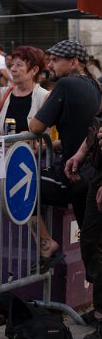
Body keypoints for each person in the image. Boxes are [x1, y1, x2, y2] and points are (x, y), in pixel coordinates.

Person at [0, 47, 58, 270]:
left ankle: (45, 243)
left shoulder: (44, 97)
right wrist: (11, 141)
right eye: (12, 64)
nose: (13, 70)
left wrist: (35, 146)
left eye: (19, 65)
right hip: (7, 162)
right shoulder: (3, 94)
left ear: (34, 70)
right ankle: (43, 245)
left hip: (36, 163)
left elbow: (52, 137)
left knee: (24, 197)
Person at [30, 40, 102, 250]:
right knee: (94, 245)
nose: (50, 64)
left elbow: (35, 126)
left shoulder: (66, 85)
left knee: (24, 189)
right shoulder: (94, 85)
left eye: (55, 60)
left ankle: (46, 244)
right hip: (91, 175)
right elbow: (83, 133)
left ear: (74, 63)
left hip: (77, 177)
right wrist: (49, 147)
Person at [64, 119, 102, 339]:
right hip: (97, 172)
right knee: (91, 242)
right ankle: (99, 310)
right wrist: (81, 153)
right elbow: (97, 126)